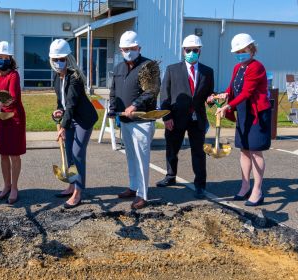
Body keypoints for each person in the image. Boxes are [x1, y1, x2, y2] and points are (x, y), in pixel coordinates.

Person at [214, 33, 271, 206]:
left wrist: (228, 106)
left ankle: (257, 190)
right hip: (244, 112)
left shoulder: (256, 67)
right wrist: (225, 94)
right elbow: (234, 87)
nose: (240, 54)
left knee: (255, 151)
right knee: (244, 150)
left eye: (242, 50)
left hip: (256, 114)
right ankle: (245, 186)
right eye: (237, 51)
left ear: (251, 49)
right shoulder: (238, 68)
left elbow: (247, 92)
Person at [158, 35, 214, 199]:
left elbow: (209, 93)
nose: (191, 53)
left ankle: (200, 185)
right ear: (183, 51)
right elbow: (164, 95)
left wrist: (212, 99)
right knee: (172, 149)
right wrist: (166, 116)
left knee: (198, 152)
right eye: (188, 50)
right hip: (175, 118)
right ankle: (170, 176)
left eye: (194, 50)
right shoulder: (172, 69)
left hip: (198, 119)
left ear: (200, 51)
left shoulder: (207, 72)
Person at [109, 31, 160, 210]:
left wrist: (135, 105)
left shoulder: (149, 66)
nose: (128, 52)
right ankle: (133, 186)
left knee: (141, 158)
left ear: (139, 48)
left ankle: (142, 194)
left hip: (142, 121)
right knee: (130, 156)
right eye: (124, 49)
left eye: (131, 48)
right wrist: (112, 108)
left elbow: (151, 91)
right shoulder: (118, 68)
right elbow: (114, 91)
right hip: (125, 121)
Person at [49, 39, 99, 209]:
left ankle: (78, 192)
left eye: (61, 59)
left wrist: (63, 126)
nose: (58, 62)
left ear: (68, 58)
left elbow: (71, 104)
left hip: (83, 120)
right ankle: (70, 185)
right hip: (70, 118)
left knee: (77, 154)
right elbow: (61, 103)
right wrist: (58, 111)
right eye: (55, 59)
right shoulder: (56, 78)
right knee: (69, 155)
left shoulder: (75, 78)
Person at [0, 41, 26, 205]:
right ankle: (6, 186)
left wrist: (0, 105)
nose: (2, 60)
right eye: (0, 57)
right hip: (1, 118)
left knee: (14, 154)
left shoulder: (13, 75)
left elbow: (12, 98)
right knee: (3, 153)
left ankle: (15, 187)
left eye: (6, 57)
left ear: (10, 59)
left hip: (14, 117)